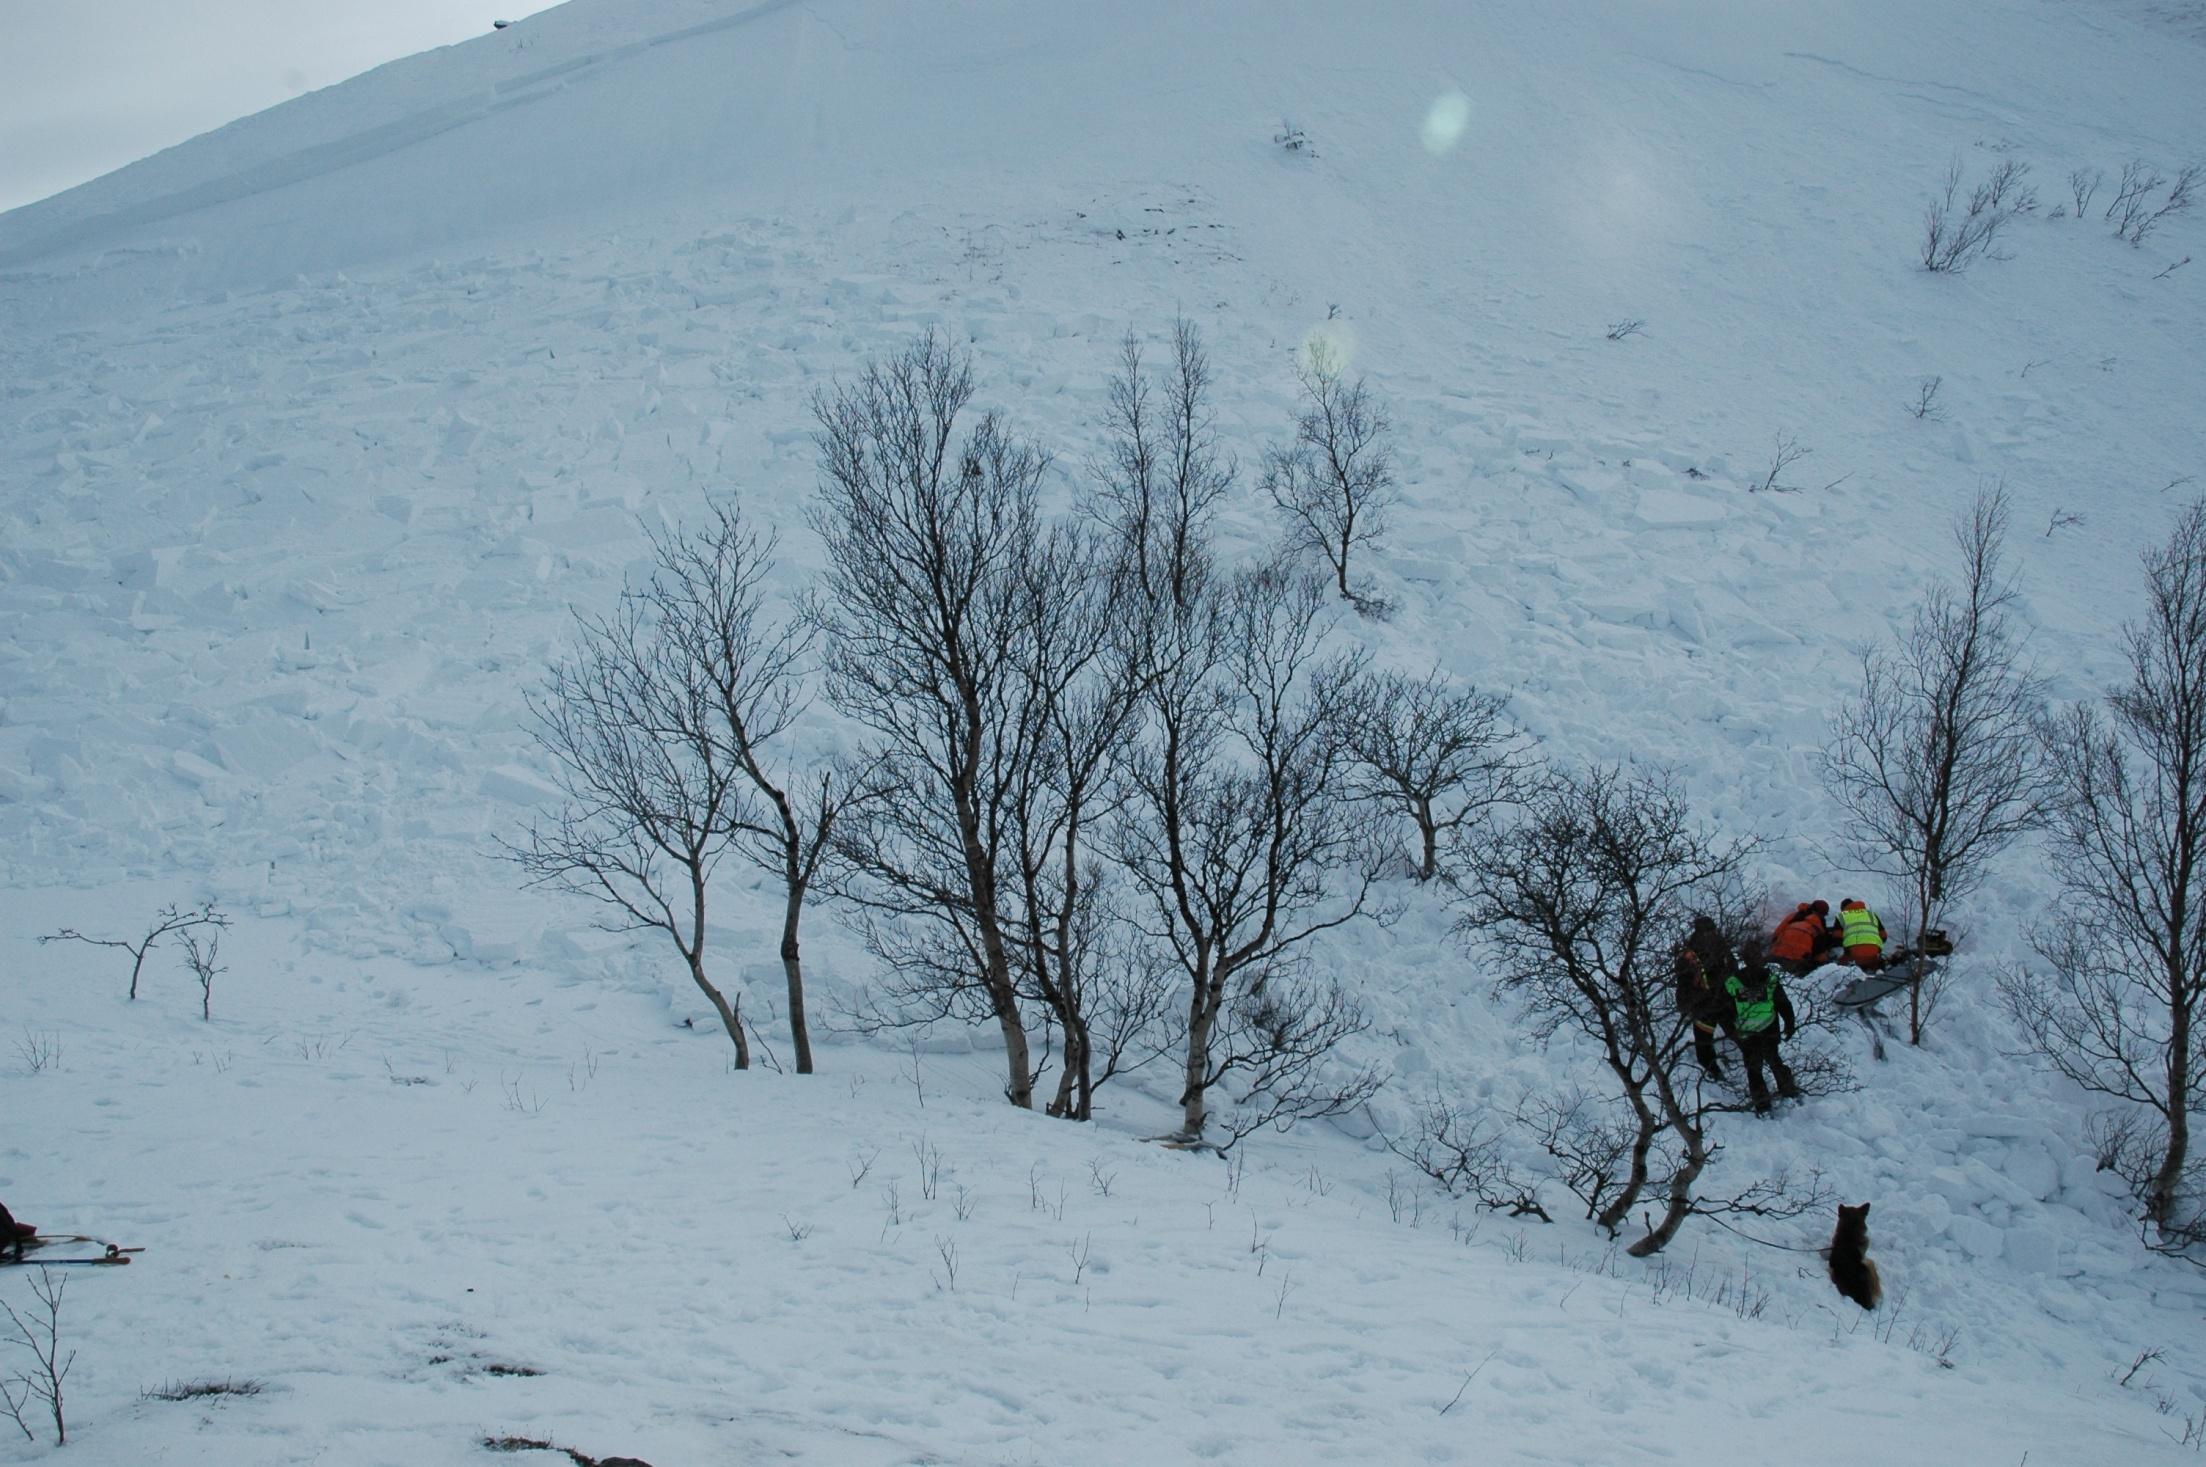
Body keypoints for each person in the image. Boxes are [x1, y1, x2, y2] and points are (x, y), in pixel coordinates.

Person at [1724, 946, 1801, 1114]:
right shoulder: (1770, 979)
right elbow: (1783, 1004)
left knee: (1754, 1069)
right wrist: (1790, 1024)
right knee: (1775, 1061)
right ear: (1760, 959)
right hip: (1769, 1028)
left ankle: (1763, 1105)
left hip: (1746, 1033)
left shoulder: (1733, 982)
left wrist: (1731, 1029)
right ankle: (1788, 1090)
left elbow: (1726, 1008)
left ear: (1743, 960)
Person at [1674, 915, 1735, 1083]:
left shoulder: (1722, 949)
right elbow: (1683, 986)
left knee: (1739, 1035)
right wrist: (1693, 1001)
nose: (1709, 934)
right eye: (1705, 931)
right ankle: (1713, 1073)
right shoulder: (1688, 958)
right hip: (1704, 1006)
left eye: (1711, 930)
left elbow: (1733, 970)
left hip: (1725, 1001)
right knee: (1704, 1046)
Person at [1769, 899, 1839, 975]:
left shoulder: (1793, 918)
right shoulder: (1816, 930)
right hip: (1795, 963)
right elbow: (1819, 954)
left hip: (1775, 956)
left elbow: (1776, 934)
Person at [1837, 898, 1888, 972]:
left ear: (1843, 909)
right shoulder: (1871, 915)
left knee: (1838, 963)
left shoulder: (1842, 916)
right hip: (1874, 954)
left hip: (1853, 957)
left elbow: (1836, 939)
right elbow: (1884, 936)